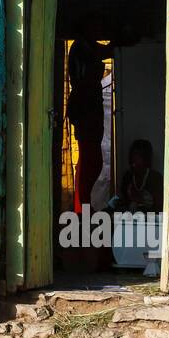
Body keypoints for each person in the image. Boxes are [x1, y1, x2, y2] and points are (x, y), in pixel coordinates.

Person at [67, 16, 116, 209]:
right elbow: (105, 51)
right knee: (91, 160)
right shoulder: (82, 47)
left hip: (87, 107)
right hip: (85, 108)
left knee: (90, 159)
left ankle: (85, 205)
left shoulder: (84, 46)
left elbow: (106, 50)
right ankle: (84, 206)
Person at [109, 138, 163, 213]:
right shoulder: (128, 176)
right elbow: (121, 201)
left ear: (146, 159)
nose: (134, 160)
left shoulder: (156, 178)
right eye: (133, 155)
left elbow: (160, 208)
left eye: (138, 156)